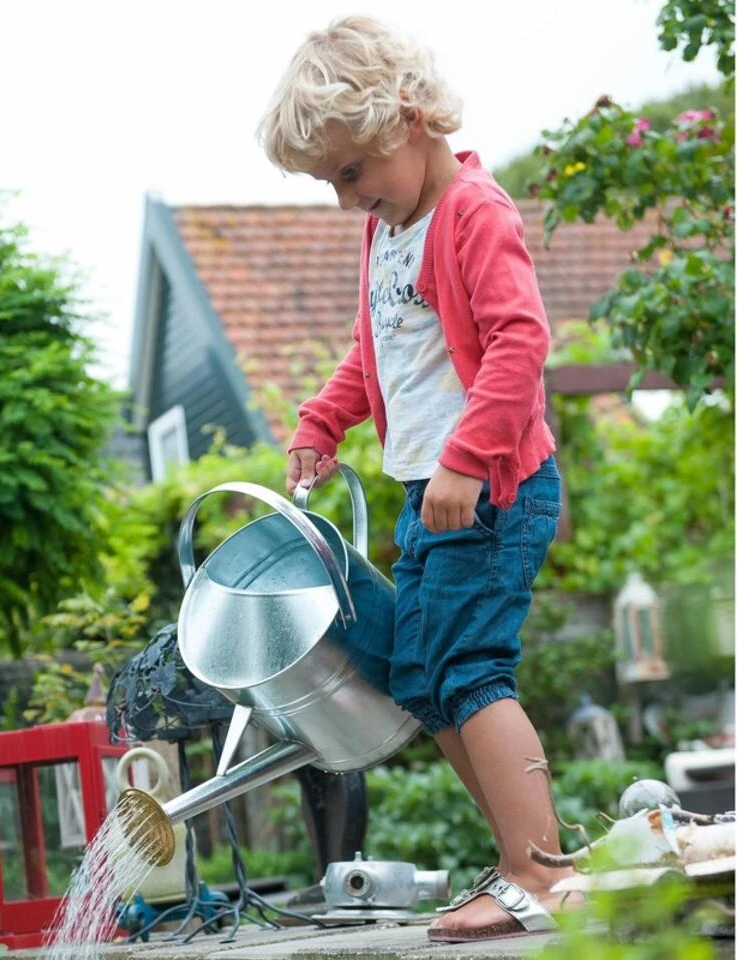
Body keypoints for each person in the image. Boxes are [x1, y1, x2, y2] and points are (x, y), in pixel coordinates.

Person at [257, 14, 577, 944]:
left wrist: (466, 461)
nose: (347, 199)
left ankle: (539, 873)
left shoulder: (472, 213)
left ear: (405, 117)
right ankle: (525, 860)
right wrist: (322, 420)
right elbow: (379, 353)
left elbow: (522, 346)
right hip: (430, 498)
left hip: (494, 491)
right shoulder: (388, 233)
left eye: (351, 172)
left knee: (472, 670)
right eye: (333, 183)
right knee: (421, 679)